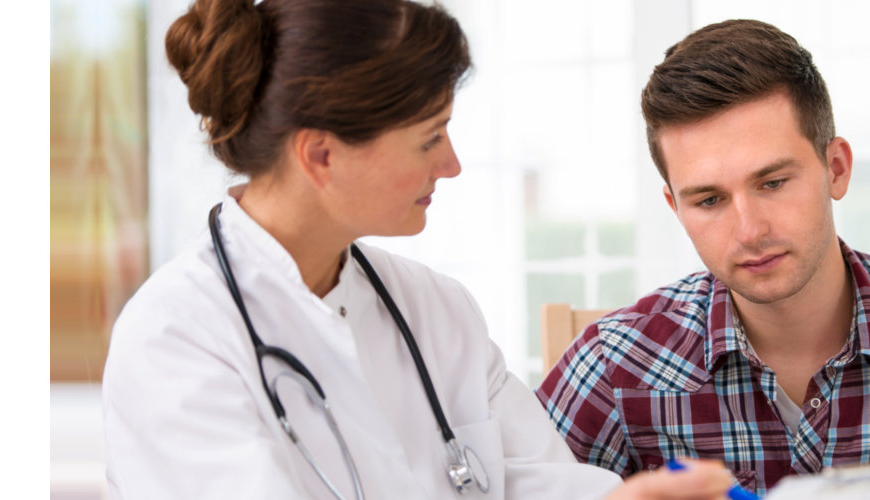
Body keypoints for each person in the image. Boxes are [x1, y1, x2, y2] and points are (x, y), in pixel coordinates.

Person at [101, 1, 737, 498]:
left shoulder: (435, 310)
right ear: (321, 156)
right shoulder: (175, 340)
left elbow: (534, 482)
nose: (452, 165)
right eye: (430, 137)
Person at [535, 20, 870, 499]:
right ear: (675, 207)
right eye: (709, 200)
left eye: (772, 182)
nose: (749, 231)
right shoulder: (613, 368)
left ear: (835, 168)